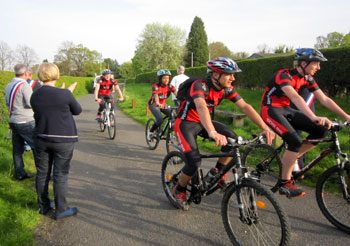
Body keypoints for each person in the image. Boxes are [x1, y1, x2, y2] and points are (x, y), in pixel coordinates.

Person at [171, 57, 275, 210]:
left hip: (205, 122)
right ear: (215, 75)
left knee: (232, 140)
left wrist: (265, 127)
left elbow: (245, 107)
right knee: (194, 161)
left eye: (233, 74)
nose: (233, 78)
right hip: (186, 123)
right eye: (229, 74)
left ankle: (217, 172)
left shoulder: (226, 89)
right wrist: (212, 132)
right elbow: (201, 106)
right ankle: (178, 189)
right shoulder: (199, 85)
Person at [260, 48, 350, 198]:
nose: (318, 67)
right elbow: (296, 98)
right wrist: (313, 116)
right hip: (270, 109)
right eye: (316, 64)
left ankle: (294, 156)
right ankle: (284, 183)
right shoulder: (284, 75)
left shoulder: (307, 78)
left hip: (286, 109)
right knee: (294, 140)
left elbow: (325, 99)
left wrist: (347, 116)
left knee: (321, 130)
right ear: (303, 63)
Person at [30, 63, 81, 219]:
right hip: (63, 140)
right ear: (57, 75)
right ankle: (61, 209)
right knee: (60, 174)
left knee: (42, 172)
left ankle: (44, 206)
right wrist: (69, 93)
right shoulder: (64, 94)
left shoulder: (35, 94)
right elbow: (77, 110)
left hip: (41, 137)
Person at [5, 64, 37, 180]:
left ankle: (19, 173)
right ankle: (43, 174)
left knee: (17, 149)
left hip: (13, 120)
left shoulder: (8, 85)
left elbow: (7, 103)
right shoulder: (25, 86)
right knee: (36, 147)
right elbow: (30, 103)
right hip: (26, 121)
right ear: (25, 74)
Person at [147, 69, 176, 134]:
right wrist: (158, 103)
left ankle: (170, 134)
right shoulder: (155, 86)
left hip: (163, 104)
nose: (166, 80)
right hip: (154, 104)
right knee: (160, 119)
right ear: (160, 79)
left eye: (168, 78)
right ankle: (151, 131)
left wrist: (184, 100)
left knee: (174, 116)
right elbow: (155, 95)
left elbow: (177, 94)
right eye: (164, 78)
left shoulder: (170, 86)